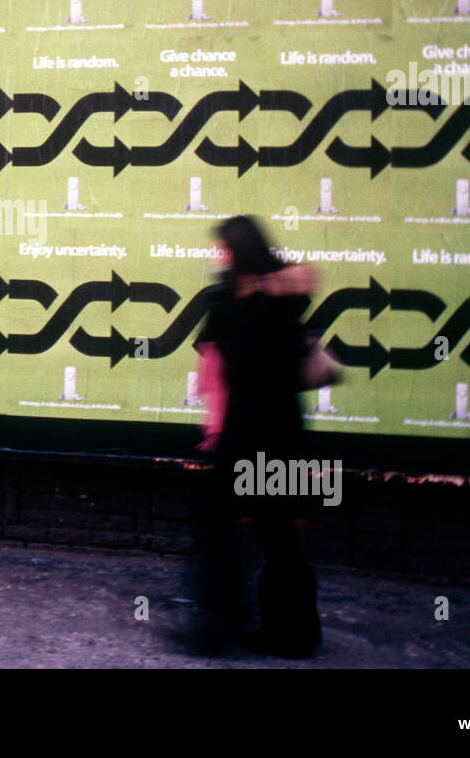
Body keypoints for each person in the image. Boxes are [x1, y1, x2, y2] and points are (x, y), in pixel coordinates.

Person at [191, 214, 322, 658]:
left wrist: (212, 428)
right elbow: (305, 280)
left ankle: (220, 625)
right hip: (287, 429)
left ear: (234, 252)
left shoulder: (227, 303)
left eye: (222, 248)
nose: (216, 255)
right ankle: (298, 634)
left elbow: (213, 371)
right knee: (278, 534)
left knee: (216, 529)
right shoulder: (287, 298)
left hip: (245, 431)